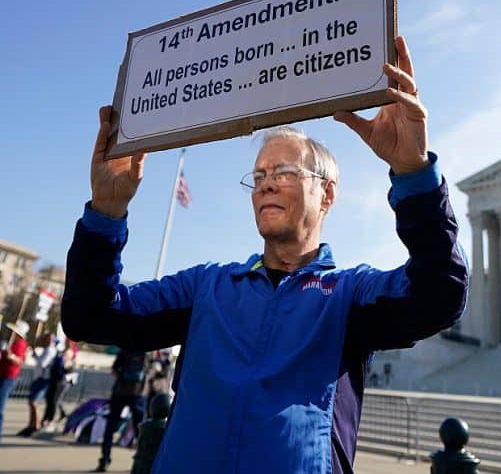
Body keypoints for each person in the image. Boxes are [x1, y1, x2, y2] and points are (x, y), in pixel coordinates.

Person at [61, 36, 469, 473]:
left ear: (327, 194)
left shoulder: (349, 295)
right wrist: (106, 212)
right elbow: (91, 317)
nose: (266, 184)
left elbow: (440, 295)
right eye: (258, 176)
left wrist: (413, 173)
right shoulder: (206, 287)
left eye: (284, 171)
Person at [94, 350, 148, 472]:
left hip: (120, 392)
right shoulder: (147, 352)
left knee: (110, 428)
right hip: (138, 393)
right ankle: (143, 461)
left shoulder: (124, 349)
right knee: (141, 430)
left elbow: (114, 371)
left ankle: (105, 459)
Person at [18, 332, 57, 437]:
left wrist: (36, 356)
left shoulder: (50, 350)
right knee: (32, 402)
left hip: (43, 379)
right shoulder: (46, 350)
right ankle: (31, 424)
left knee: (34, 402)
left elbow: (43, 363)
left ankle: (36, 424)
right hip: (39, 379)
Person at [0, 320, 30, 442]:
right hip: (3, 374)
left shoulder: (20, 343)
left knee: (0, 407)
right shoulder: (11, 342)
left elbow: (19, 361)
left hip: (8, 377)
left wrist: (10, 355)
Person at [41, 338, 78, 431]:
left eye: (68, 341)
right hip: (55, 379)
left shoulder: (69, 352)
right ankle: (46, 419)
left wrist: (63, 361)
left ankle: (51, 421)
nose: (66, 342)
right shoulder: (62, 351)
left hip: (60, 381)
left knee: (54, 400)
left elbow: (67, 366)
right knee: (49, 399)